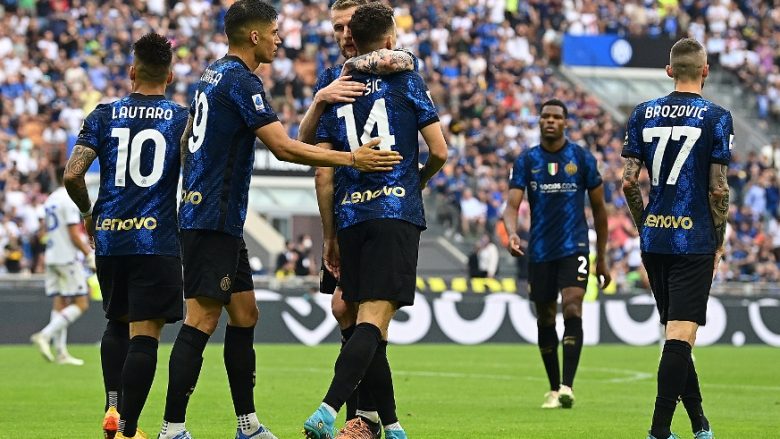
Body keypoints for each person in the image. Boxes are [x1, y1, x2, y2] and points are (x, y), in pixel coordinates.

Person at [157, 2, 401, 439]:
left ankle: (247, 425)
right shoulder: (241, 80)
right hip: (211, 217)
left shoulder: (212, 73)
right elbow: (284, 148)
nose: (279, 39)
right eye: (273, 32)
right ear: (254, 36)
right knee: (202, 320)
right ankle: (172, 428)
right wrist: (353, 159)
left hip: (217, 216)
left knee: (245, 314)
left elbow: (188, 137)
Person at [303, 3, 448, 439]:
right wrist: (417, 180)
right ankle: (332, 411)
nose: (343, 34)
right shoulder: (401, 77)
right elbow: (440, 151)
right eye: (336, 28)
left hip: (350, 215)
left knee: (357, 315)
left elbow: (317, 165)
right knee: (369, 320)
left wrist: (330, 234)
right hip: (391, 211)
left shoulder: (336, 81)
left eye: (348, 26)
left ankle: (385, 423)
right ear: (388, 37)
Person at [62, 33, 189, 439]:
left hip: (110, 239)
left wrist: (88, 214)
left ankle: (112, 410)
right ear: (169, 76)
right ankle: (128, 429)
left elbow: (72, 175)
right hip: (155, 240)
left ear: (132, 72)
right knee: (145, 336)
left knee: (116, 323)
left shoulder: (103, 114)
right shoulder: (181, 119)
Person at [622, 37, 730, 439]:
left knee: (676, 334)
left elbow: (628, 182)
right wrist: (718, 241)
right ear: (705, 71)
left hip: (655, 239)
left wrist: (645, 226)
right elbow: (718, 189)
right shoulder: (716, 117)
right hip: (694, 238)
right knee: (681, 336)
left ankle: (700, 424)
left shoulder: (642, 112)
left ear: (669, 71)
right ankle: (659, 430)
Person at [503, 99, 611, 409]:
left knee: (573, 307)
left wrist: (602, 258)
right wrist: (512, 232)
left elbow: (600, 211)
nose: (550, 121)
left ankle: (567, 386)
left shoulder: (582, 158)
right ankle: (553, 388)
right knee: (546, 316)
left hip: (574, 245)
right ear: (539, 122)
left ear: (565, 123)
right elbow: (511, 206)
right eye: (546, 116)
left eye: (556, 117)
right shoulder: (527, 160)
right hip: (539, 250)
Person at [30, 166, 94, 366]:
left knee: (60, 302)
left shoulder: (51, 199)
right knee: (81, 303)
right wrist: (89, 255)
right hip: (67, 257)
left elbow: (43, 231)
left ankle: (61, 353)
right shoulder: (68, 200)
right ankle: (45, 334)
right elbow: (74, 234)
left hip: (51, 256)